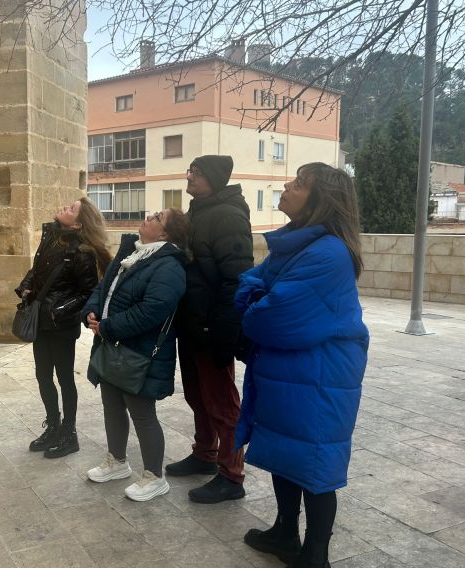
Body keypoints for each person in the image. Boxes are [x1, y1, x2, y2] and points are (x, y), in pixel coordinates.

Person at [235, 163, 369, 568]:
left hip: (320, 374)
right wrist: (258, 296)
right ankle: (284, 532)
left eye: (298, 183)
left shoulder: (327, 253)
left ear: (320, 198)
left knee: (314, 462)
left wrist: (257, 299)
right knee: (286, 451)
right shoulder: (295, 244)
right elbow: (248, 284)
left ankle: (316, 554)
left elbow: (270, 316)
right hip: (290, 368)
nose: (287, 186)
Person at [82, 208, 189, 502]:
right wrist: (92, 312)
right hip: (112, 345)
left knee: (142, 414)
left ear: (165, 233)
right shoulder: (134, 254)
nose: (149, 217)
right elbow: (103, 287)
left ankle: (154, 476)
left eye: (157, 217)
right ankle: (117, 461)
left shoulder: (168, 266)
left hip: (140, 353)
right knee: (112, 405)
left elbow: (152, 311)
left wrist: (107, 327)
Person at [166, 155, 254, 503]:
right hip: (190, 323)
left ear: (213, 179)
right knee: (196, 396)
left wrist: (224, 328)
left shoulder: (228, 215)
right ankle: (205, 454)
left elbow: (237, 278)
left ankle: (232, 475)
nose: (188, 176)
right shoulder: (198, 211)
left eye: (196, 172)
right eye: (190, 170)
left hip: (210, 326)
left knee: (221, 402)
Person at [16, 198, 112, 458]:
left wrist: (58, 310)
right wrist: (25, 286)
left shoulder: (82, 253)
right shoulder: (51, 238)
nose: (64, 208)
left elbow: (88, 293)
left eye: (71, 209)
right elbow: (36, 270)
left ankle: (69, 434)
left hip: (61, 324)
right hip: (42, 322)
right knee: (42, 376)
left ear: (79, 223)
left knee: (65, 378)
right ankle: (53, 426)